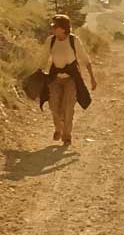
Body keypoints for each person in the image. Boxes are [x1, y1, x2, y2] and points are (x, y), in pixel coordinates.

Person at [40, 14, 98, 147]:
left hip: (71, 79)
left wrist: (92, 78)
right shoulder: (51, 40)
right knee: (53, 104)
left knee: (68, 107)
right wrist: (39, 72)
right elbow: (43, 57)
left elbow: (85, 59)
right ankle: (58, 129)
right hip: (55, 77)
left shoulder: (73, 40)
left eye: (55, 26)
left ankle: (67, 136)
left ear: (63, 28)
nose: (52, 28)